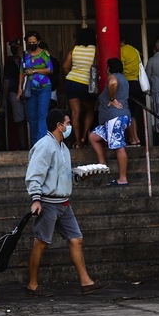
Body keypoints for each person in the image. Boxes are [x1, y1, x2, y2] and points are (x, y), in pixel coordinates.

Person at [25, 108, 110, 297]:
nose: (70, 126)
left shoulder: (62, 147)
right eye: (68, 123)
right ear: (59, 125)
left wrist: (80, 177)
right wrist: (36, 199)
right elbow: (34, 175)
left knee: (76, 239)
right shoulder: (45, 146)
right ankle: (32, 285)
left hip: (63, 202)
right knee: (41, 242)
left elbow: (63, 174)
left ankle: (86, 282)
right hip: (48, 202)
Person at [89, 58, 131, 186]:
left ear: (109, 68)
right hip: (118, 118)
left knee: (119, 146)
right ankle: (103, 165)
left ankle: (122, 178)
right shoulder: (124, 79)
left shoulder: (113, 77)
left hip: (115, 117)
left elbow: (113, 83)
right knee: (93, 136)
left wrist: (112, 98)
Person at [62, 28, 97, 149]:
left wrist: (71, 76)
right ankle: (84, 136)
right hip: (86, 84)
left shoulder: (74, 49)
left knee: (75, 113)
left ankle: (78, 142)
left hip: (71, 82)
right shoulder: (95, 51)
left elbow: (65, 66)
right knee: (90, 111)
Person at [17, 31, 53, 145]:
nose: (31, 44)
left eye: (34, 42)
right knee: (32, 118)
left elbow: (50, 70)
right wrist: (19, 89)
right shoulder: (24, 56)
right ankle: (35, 144)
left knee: (42, 115)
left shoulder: (44, 54)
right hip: (29, 89)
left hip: (44, 87)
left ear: (38, 42)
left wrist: (34, 70)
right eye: (29, 42)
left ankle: (42, 143)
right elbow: (21, 73)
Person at [2, 39, 27, 149]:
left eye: (16, 46)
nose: (14, 49)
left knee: (32, 119)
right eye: (12, 46)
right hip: (14, 93)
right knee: (20, 121)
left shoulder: (28, 60)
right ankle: (23, 146)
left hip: (29, 92)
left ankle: (34, 143)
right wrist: (4, 97)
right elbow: (6, 81)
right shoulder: (9, 64)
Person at [119, 39, 144, 146]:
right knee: (132, 114)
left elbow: (120, 67)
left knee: (127, 113)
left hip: (127, 83)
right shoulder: (135, 50)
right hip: (136, 83)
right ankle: (136, 138)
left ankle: (132, 138)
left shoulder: (121, 51)